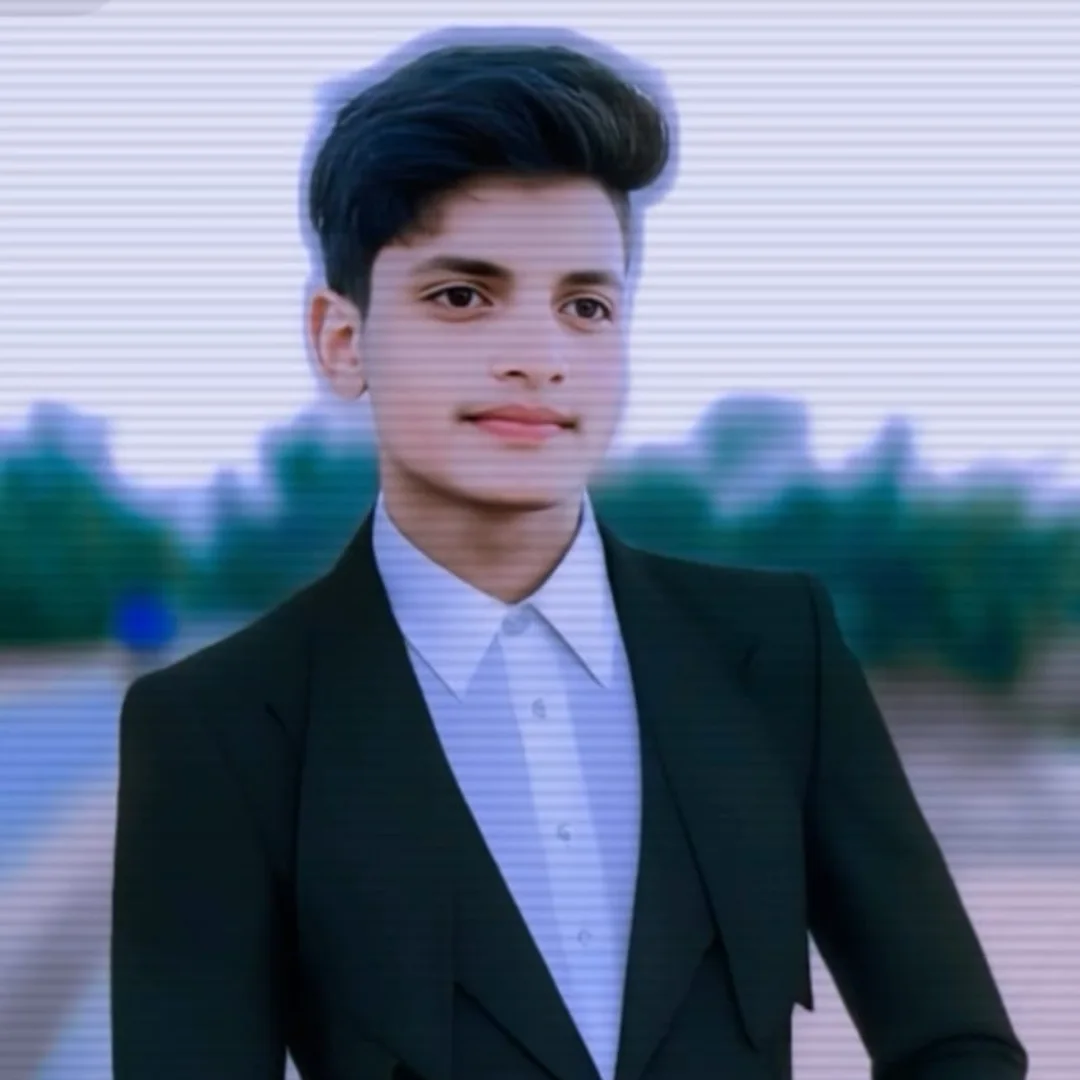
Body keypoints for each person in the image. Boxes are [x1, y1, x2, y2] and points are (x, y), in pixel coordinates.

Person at [109, 27, 1029, 1080]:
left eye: (585, 306)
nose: (539, 357)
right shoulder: (220, 726)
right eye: (463, 296)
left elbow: (954, 1042)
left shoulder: (778, 654)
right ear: (341, 339)